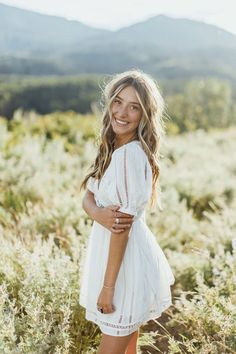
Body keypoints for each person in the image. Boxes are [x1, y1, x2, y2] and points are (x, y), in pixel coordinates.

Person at [79, 69, 175, 354]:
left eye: (134, 107)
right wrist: (96, 212)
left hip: (122, 271)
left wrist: (108, 288)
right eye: (118, 102)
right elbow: (88, 195)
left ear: (145, 115)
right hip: (121, 264)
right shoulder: (114, 147)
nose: (122, 112)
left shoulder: (128, 156)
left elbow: (120, 229)